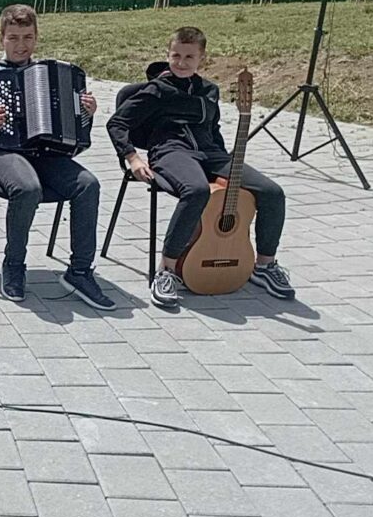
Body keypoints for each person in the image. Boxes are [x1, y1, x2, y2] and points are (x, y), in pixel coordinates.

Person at [106, 26, 296, 308]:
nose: (181, 63)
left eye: (189, 57)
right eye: (176, 56)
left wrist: (226, 163)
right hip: (171, 152)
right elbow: (117, 123)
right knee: (196, 191)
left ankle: (264, 266)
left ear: (202, 59)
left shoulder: (210, 91)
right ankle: (167, 270)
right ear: (168, 55)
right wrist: (132, 157)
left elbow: (213, 128)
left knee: (272, 192)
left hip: (211, 154)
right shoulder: (157, 89)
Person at [0, 4, 114, 310]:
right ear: (1, 38)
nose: (20, 45)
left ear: (36, 37)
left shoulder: (46, 73)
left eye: (27, 37)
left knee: (88, 184)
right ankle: (13, 264)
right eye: (13, 38)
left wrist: (86, 111)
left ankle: (79, 271)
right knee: (27, 188)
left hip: (42, 151)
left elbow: (69, 120)